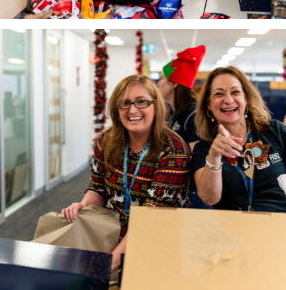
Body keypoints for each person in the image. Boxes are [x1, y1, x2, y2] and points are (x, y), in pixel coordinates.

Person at [192, 66, 286, 289]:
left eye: (235, 92)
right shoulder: (205, 150)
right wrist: (214, 156)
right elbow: (209, 197)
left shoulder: (276, 131)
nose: (228, 99)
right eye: (218, 93)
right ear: (208, 105)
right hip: (236, 243)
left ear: (246, 97)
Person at [60, 75, 190, 272]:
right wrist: (83, 205)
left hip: (159, 239)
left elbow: (152, 216)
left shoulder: (174, 149)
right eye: (125, 103)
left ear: (156, 106)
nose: (133, 110)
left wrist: (111, 261)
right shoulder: (104, 141)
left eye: (142, 102)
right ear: (116, 109)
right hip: (111, 232)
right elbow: (98, 189)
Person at [158, 45, 205, 151]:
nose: (158, 83)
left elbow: (196, 159)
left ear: (173, 84)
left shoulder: (194, 117)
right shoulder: (172, 112)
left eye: (162, 78)